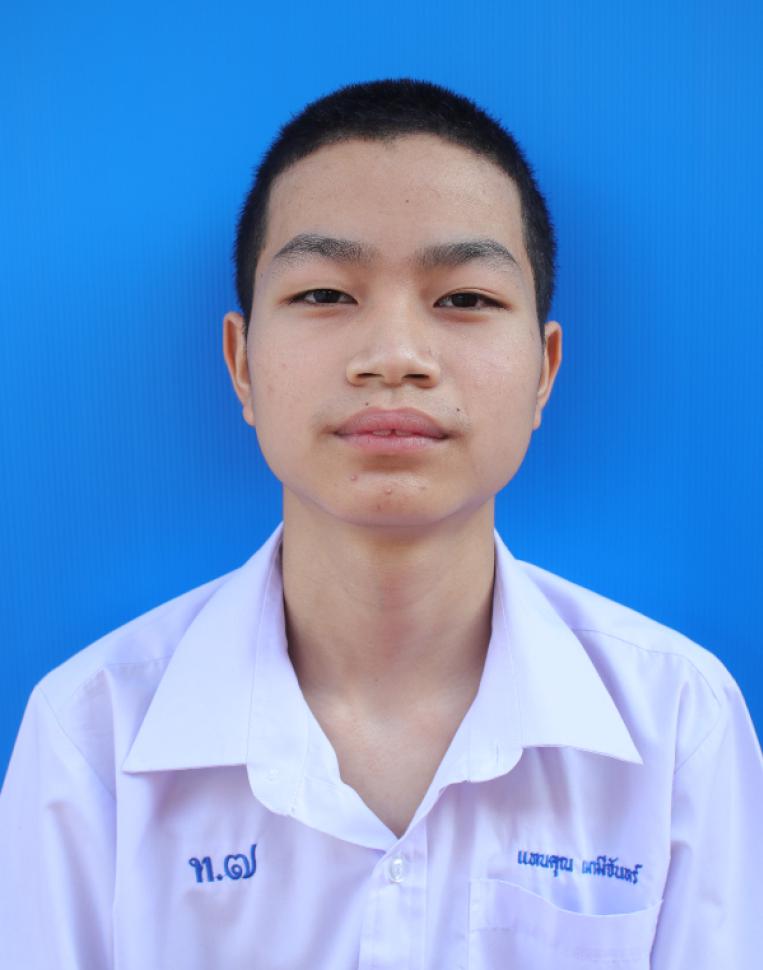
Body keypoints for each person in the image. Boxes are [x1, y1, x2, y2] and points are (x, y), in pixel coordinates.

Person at [1, 77, 761, 970]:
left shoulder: (676, 724)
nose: (394, 357)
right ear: (241, 364)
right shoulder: (94, 738)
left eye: (464, 299)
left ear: (543, 371)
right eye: (326, 294)